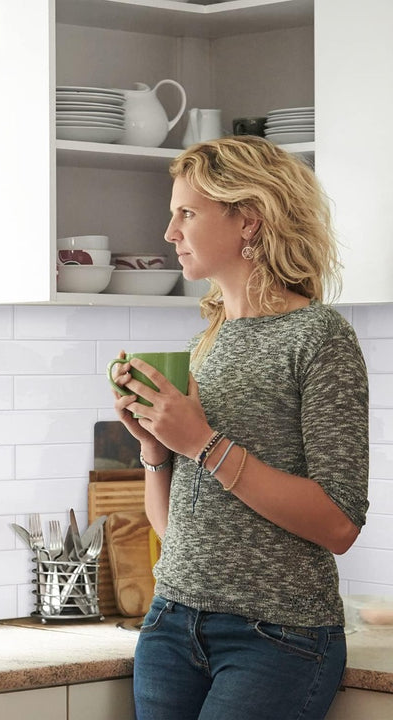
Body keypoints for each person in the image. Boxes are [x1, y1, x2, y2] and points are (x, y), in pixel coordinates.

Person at [110, 135, 369, 720]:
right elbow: (178, 535)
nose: (170, 232)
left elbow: (339, 523)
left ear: (248, 220)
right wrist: (157, 453)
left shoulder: (320, 339)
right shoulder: (208, 342)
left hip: (276, 637)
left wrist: (200, 443)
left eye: (187, 213)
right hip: (171, 625)